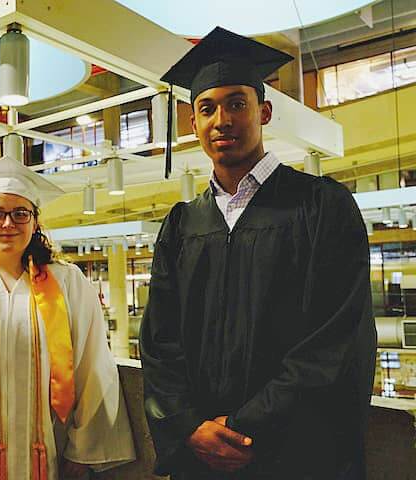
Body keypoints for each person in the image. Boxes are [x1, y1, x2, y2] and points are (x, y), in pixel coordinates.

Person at [139, 27, 376, 479]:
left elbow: (337, 339)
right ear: (193, 124)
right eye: (206, 108)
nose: (221, 119)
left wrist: (245, 428)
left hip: (294, 456)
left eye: (236, 103)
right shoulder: (181, 224)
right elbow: (159, 342)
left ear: (263, 111)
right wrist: (189, 427)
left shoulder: (321, 205)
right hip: (202, 456)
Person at [0, 156, 135, 480]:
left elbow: (93, 367)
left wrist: (84, 448)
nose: (8, 224)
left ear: (35, 222)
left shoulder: (67, 283)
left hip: (51, 455)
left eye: (20, 214)